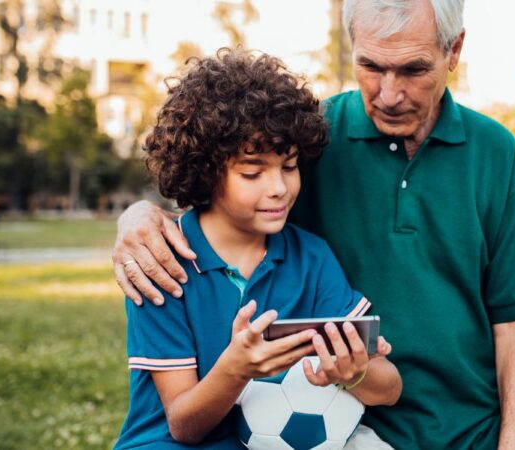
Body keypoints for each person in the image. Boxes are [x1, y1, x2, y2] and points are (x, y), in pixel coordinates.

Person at [113, 1, 515, 448]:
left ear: (454, 51)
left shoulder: (496, 156)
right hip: (342, 432)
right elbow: (220, 199)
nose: (388, 93)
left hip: (464, 435)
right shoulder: (309, 138)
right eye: (370, 65)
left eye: (413, 70)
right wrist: (138, 215)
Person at [114, 49, 401, 450]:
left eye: (289, 165)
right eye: (252, 172)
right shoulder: (161, 262)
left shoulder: (310, 258)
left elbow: (389, 387)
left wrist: (354, 372)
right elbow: (183, 425)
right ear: (206, 171)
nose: (279, 188)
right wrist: (237, 368)